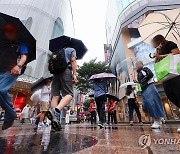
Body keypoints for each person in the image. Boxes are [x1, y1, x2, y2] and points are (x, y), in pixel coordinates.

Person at [0, 24, 28, 130]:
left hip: (12, 71)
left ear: (16, 33)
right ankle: (10, 112)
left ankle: (11, 114)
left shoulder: (21, 44)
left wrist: (18, 66)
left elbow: (24, 56)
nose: (8, 33)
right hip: (1, 70)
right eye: (6, 31)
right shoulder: (3, 43)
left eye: (11, 31)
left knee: (1, 90)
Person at [152, 35, 180, 131]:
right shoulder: (159, 49)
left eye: (156, 42)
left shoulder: (170, 44)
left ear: (160, 40)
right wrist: (157, 52)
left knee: (178, 94)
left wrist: (161, 56)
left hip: (175, 73)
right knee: (170, 95)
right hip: (165, 76)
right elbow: (155, 62)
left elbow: (177, 53)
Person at [46, 46, 77, 131]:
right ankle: (55, 110)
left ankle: (54, 122)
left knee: (55, 96)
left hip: (55, 74)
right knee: (69, 94)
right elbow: (73, 60)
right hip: (65, 71)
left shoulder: (57, 50)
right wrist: (74, 74)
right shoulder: (72, 49)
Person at [136, 61, 165, 129]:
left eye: (138, 64)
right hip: (144, 89)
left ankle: (157, 119)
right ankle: (158, 118)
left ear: (142, 64)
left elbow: (150, 75)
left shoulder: (145, 69)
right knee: (146, 104)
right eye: (136, 64)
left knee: (152, 103)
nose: (137, 65)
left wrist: (142, 81)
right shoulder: (138, 73)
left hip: (149, 86)